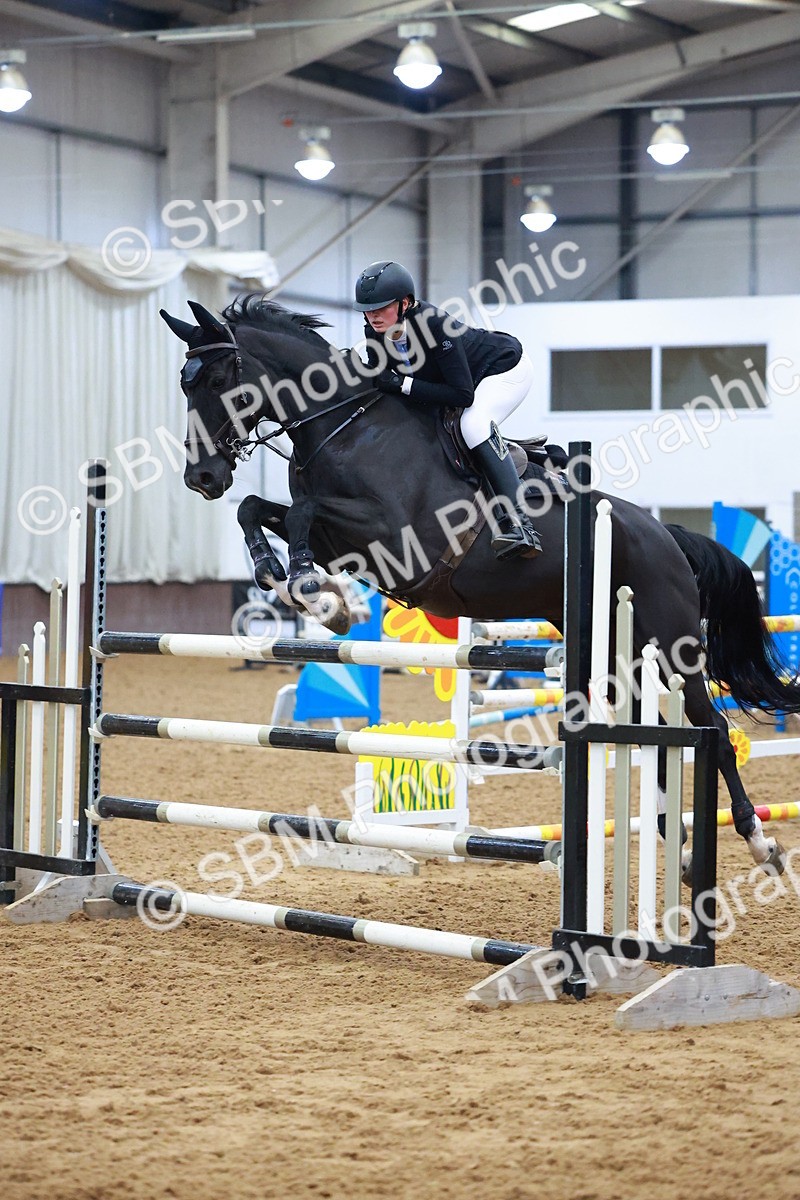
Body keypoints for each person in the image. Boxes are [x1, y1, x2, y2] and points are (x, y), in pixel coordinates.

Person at [354, 260, 542, 560]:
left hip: (504, 369)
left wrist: (402, 384)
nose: (373, 315)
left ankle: (520, 522)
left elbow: (462, 395)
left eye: (381, 307)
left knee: (474, 425)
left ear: (404, 303)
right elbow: (380, 380)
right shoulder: (374, 329)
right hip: (457, 383)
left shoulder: (435, 325)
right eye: (367, 308)